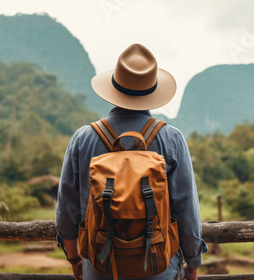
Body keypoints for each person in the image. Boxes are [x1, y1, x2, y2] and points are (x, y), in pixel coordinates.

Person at [55, 43, 207, 280]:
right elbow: (186, 210)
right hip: (158, 268)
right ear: (151, 92)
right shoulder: (172, 139)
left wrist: (75, 260)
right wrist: (193, 263)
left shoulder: (82, 139)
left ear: (114, 89)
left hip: (99, 268)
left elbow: (67, 211)